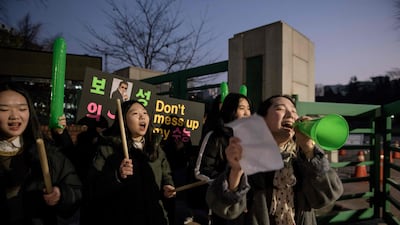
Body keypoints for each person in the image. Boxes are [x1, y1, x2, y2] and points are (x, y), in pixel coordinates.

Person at [206, 94, 344, 225]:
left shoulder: (304, 158)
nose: (291, 115)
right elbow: (225, 209)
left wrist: (309, 150)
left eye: (294, 111)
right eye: (280, 109)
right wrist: (235, 171)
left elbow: (327, 199)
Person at [0, 82, 82, 225]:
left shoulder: (48, 152)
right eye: (4, 109)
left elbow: (76, 189)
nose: (14, 116)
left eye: (22, 109)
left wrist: (61, 195)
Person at [90, 99, 175, 225]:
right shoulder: (107, 149)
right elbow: (94, 186)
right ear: (123, 120)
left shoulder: (155, 147)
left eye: (145, 113)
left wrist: (167, 186)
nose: (142, 116)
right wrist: (117, 176)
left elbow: (166, 174)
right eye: (135, 114)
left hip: (154, 216)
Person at [193, 92, 252, 225]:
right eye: (242, 108)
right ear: (230, 110)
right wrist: (229, 183)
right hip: (223, 207)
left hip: (250, 210)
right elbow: (201, 171)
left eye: (249, 108)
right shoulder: (215, 136)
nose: (247, 113)